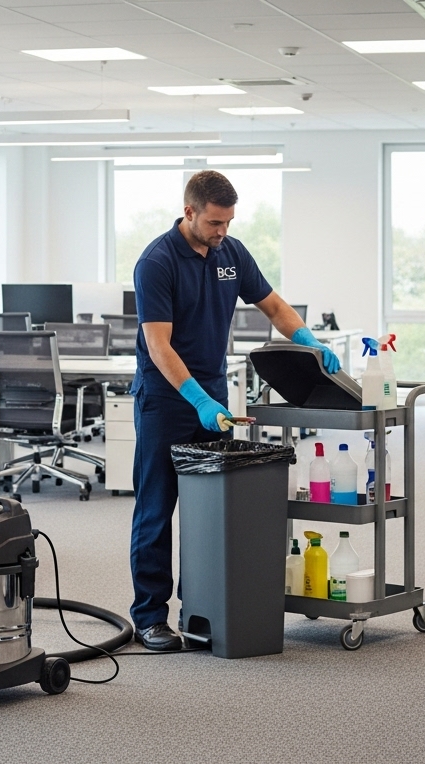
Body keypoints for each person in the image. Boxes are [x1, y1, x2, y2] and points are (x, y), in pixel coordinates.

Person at [129, 170, 341, 651]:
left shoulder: (232, 253)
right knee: (157, 509)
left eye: (228, 222)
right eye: (214, 223)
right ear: (189, 212)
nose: (221, 232)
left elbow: (273, 306)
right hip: (167, 399)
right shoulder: (156, 262)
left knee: (211, 512)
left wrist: (309, 341)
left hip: (212, 399)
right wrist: (198, 399)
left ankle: (202, 609)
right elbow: (158, 347)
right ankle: (148, 618)